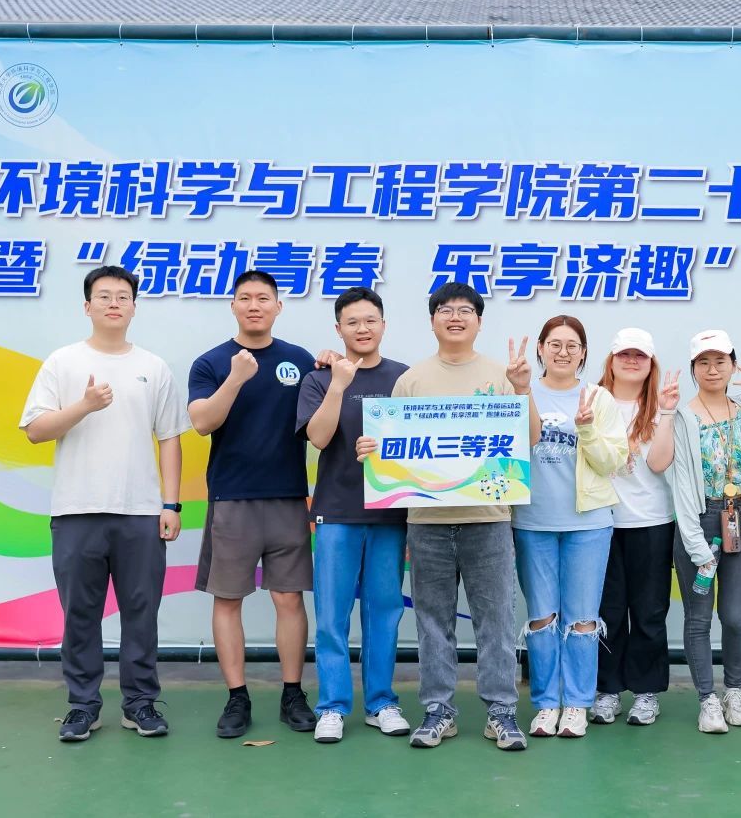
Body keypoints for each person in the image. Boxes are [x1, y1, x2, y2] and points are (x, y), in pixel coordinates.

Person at [356, 282, 540, 751]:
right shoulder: (412, 381)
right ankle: (439, 710)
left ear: (479, 321)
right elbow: (394, 449)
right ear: (432, 320)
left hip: (488, 519)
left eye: (464, 310)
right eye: (445, 310)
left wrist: (523, 390)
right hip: (427, 522)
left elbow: (531, 439)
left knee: (496, 621)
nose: (454, 317)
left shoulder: (503, 376)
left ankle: (501, 712)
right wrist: (373, 451)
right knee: (433, 621)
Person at [20, 265, 189, 742]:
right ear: (87, 306)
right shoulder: (62, 362)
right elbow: (35, 431)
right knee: (80, 614)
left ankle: (140, 704)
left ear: (134, 307)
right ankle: (82, 706)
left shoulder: (153, 367)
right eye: (104, 295)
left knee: (141, 613)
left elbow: (170, 438)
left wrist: (171, 504)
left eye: (123, 296)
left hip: (141, 513)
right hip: (76, 511)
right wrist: (85, 405)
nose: (114, 303)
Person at [188, 270, 328, 739]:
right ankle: (237, 697)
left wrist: (329, 363)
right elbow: (202, 422)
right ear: (233, 305)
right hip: (232, 498)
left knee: (289, 598)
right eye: (245, 298)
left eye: (263, 298)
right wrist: (235, 378)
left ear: (278, 306)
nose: (254, 305)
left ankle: (293, 694)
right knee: (228, 599)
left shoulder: (298, 359)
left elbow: (321, 418)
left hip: (288, 497)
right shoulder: (211, 362)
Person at [297, 287, 411, 744]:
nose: (362, 329)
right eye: (352, 322)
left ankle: (381, 702)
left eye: (370, 320)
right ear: (338, 329)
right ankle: (332, 706)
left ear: (383, 325)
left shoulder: (405, 378)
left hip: (390, 515)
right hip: (337, 513)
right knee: (331, 615)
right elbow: (319, 438)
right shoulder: (320, 378)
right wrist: (338, 385)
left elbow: (418, 445)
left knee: (384, 612)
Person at [512, 316, 628, 738]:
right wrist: (520, 391)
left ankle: (577, 703)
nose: (563, 352)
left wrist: (587, 430)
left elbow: (614, 461)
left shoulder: (599, 398)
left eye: (572, 345)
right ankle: (546, 704)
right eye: (555, 344)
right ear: (540, 349)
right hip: (531, 521)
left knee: (582, 618)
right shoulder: (519, 391)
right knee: (541, 618)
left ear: (583, 353)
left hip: (588, 523)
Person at [667, 330, 741, 734]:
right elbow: (680, 483)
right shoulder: (683, 417)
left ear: (733, 365)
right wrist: (695, 544)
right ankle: (707, 699)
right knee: (698, 618)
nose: (712, 369)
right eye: (703, 363)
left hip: (740, 517)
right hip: (700, 519)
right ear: (693, 369)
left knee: (736, 617)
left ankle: (734, 692)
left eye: (720, 361)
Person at [591, 328, 679, 727]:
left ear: (651, 363)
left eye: (639, 355)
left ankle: (646, 692)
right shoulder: (591, 401)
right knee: (606, 611)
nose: (631, 361)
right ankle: (606, 690)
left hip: (651, 522)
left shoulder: (662, 406)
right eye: (623, 354)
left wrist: (667, 413)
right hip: (598, 522)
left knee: (648, 611)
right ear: (610, 361)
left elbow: (659, 464)